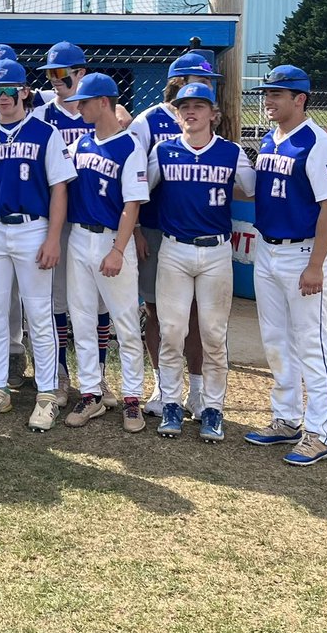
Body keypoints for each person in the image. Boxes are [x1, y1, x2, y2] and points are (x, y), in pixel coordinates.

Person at [0, 59, 76, 431]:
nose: (2, 96)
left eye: (9, 89)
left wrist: (53, 237)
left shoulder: (45, 132)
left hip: (32, 228)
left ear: (25, 91)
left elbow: (59, 189)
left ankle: (45, 394)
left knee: (38, 314)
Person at [244, 65, 327, 466]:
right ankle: (285, 418)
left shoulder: (318, 144)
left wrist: (316, 265)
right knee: (275, 338)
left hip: (304, 253)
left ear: (299, 99)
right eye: (267, 92)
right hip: (268, 250)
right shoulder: (271, 138)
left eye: (277, 94)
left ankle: (319, 431)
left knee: (311, 343)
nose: (268, 99)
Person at [147, 82, 254, 442]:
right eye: (184, 106)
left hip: (216, 251)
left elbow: (252, 190)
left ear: (213, 114)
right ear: (176, 114)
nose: (190, 112)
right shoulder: (163, 151)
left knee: (212, 333)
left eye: (198, 106)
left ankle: (212, 408)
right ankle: (172, 402)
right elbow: (139, 192)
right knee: (172, 330)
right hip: (174, 249)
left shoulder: (230, 152)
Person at [130, 51, 222, 417]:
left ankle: (197, 391)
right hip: (155, 229)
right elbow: (134, 180)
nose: (210, 86)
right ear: (179, 82)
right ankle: (162, 387)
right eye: (202, 80)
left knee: (199, 314)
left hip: (199, 231)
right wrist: (134, 229)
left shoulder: (208, 116)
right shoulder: (147, 121)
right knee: (158, 313)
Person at [60, 72, 149, 433]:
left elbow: (132, 204)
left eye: (83, 102)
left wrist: (118, 249)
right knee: (81, 319)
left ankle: (132, 399)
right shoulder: (80, 143)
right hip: (79, 238)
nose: (78, 108)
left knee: (126, 323)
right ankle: (92, 393)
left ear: (103, 102)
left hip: (113, 240)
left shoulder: (130, 145)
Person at [33, 42, 115, 408]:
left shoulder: (97, 116)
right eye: (50, 75)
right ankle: (61, 374)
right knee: (59, 302)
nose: (55, 81)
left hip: (89, 220)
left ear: (81, 74)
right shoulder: (40, 115)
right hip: (55, 222)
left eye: (61, 73)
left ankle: (97, 376)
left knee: (97, 304)